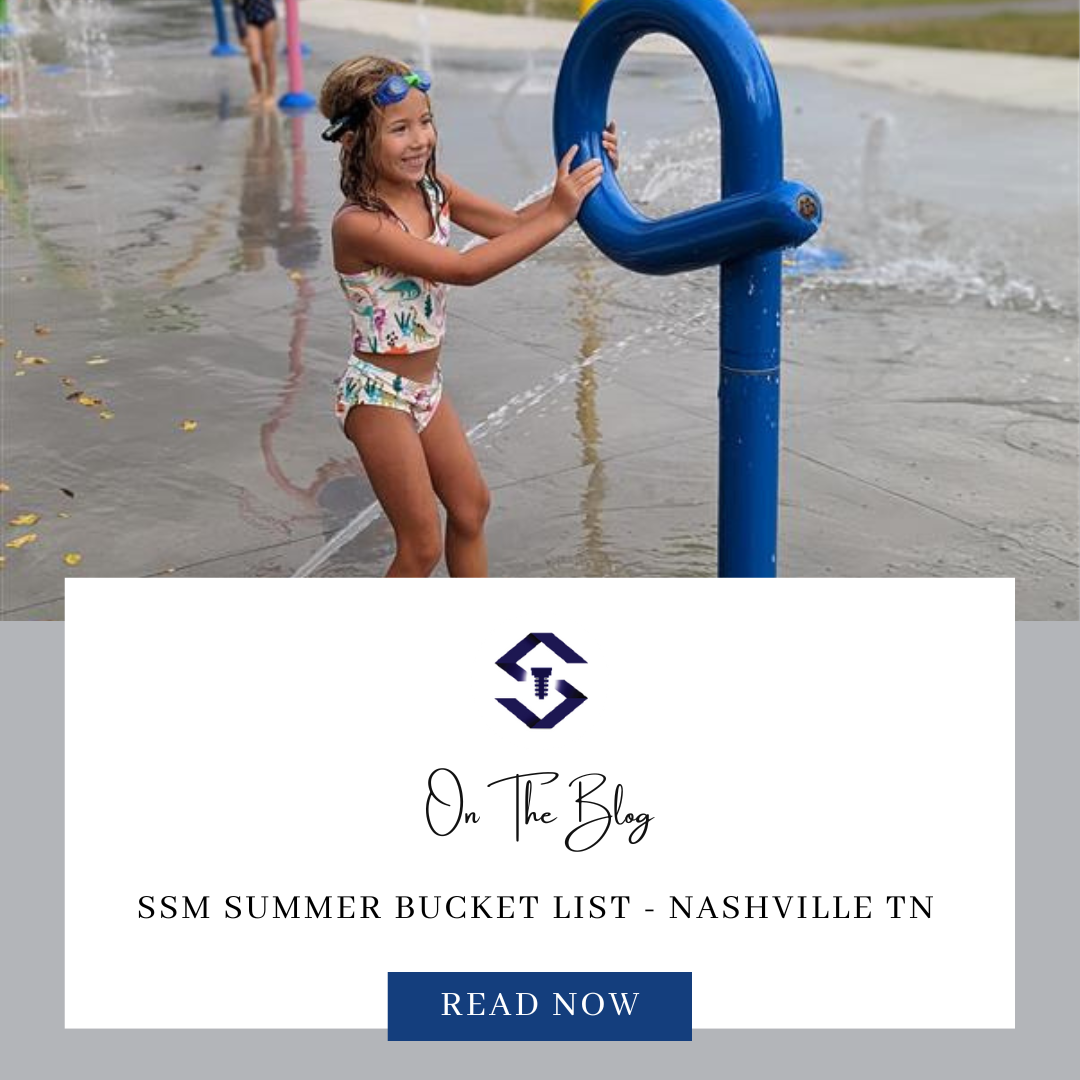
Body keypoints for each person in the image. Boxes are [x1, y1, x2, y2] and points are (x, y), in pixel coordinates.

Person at [319, 56, 619, 578]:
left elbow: (511, 225)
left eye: (425, 121)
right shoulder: (359, 225)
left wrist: (585, 180)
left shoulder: (435, 192)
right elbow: (464, 269)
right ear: (353, 141)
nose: (419, 140)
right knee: (419, 544)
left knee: (470, 508)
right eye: (399, 129)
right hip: (378, 394)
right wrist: (558, 213)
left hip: (425, 389)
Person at [233, 0, 278, 107]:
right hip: (251, 22)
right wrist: (241, 33)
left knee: (269, 57)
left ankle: (270, 92)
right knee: (255, 60)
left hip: (268, 18)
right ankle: (259, 91)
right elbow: (236, 9)